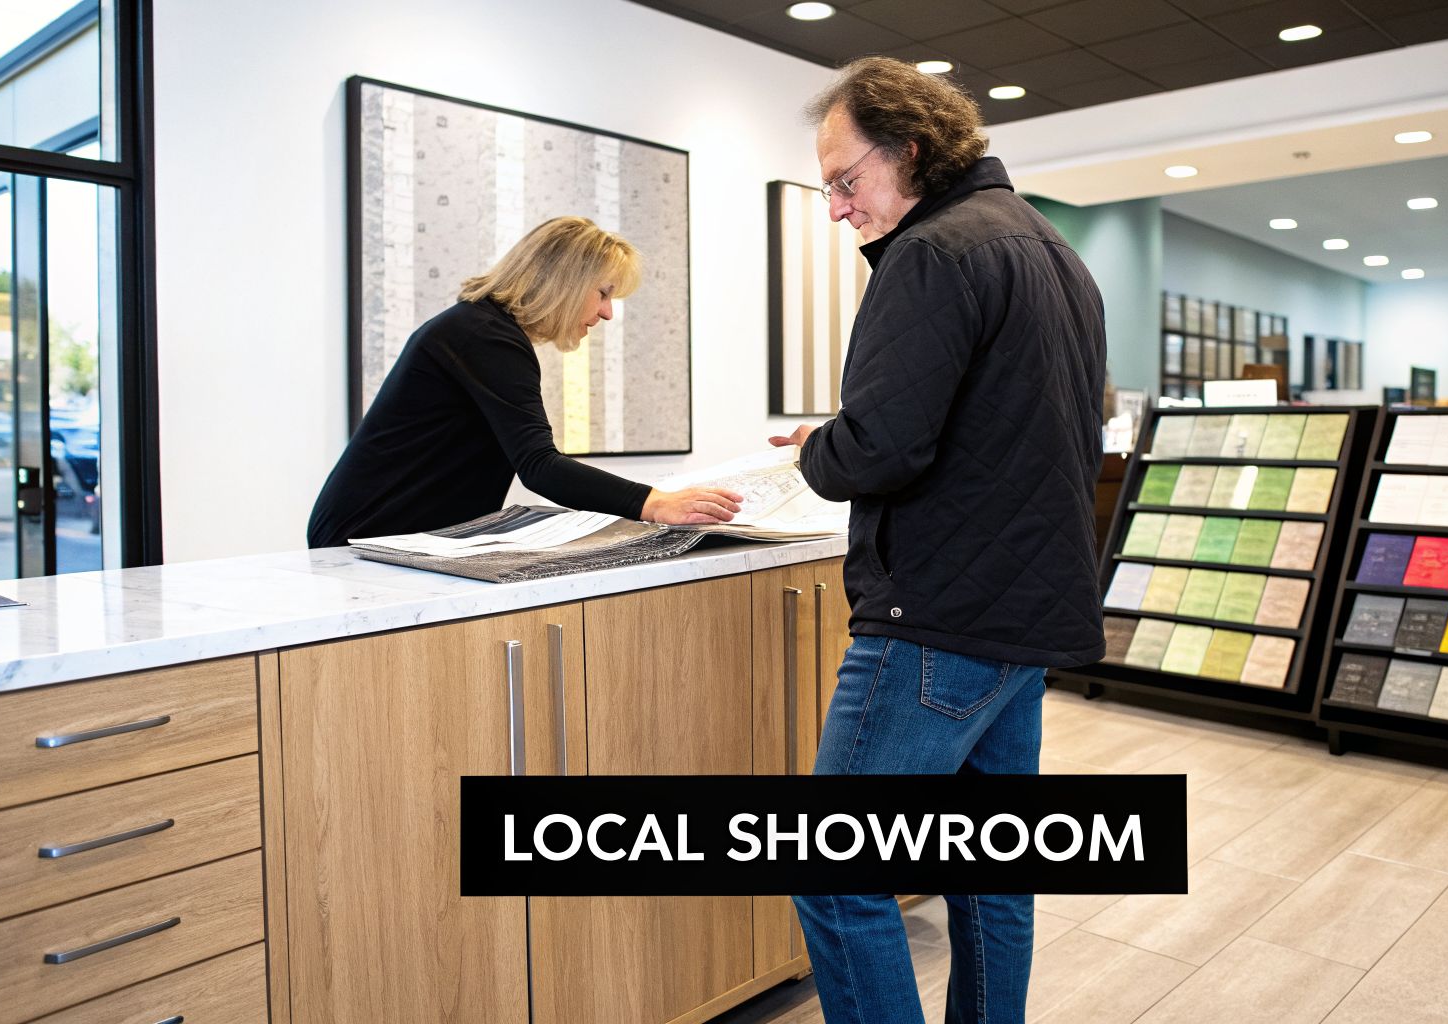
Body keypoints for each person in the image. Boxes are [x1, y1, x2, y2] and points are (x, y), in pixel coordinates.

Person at [771, 57, 1108, 1024]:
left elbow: (879, 448)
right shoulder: (1051, 249)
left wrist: (818, 450)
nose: (837, 209)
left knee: (835, 875)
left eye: (846, 181)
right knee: (993, 875)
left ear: (910, 152)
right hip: (1026, 619)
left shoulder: (931, 253)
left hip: (938, 622)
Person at [308, 216, 739, 547]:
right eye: (603, 293)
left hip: (391, 535)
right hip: (363, 538)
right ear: (566, 282)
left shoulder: (483, 329)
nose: (608, 313)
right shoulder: (483, 335)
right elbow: (540, 467)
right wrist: (656, 502)